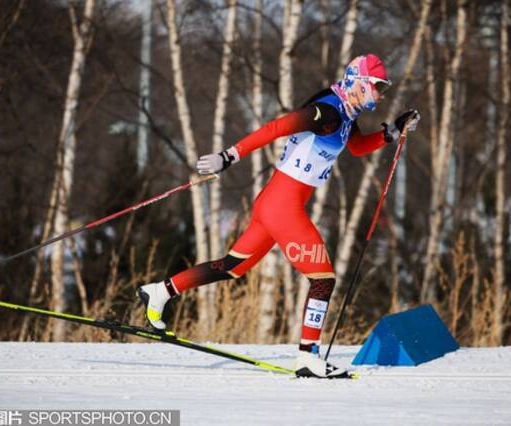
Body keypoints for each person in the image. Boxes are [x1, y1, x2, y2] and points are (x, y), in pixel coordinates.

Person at [137, 54, 420, 378]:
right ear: (357, 81)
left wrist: (391, 133)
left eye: (382, 89)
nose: (379, 95)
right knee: (323, 278)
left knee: (231, 267)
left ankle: (159, 291)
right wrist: (228, 156)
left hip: (273, 204)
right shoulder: (327, 111)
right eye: (376, 87)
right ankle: (308, 357)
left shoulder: (345, 116)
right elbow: (276, 128)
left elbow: (356, 148)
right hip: (283, 206)